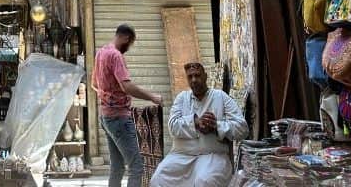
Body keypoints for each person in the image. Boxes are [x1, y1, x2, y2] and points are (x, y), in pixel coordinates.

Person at [152, 61, 248, 187]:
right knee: (158, 178)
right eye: (190, 77)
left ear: (205, 76)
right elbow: (172, 126)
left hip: (213, 156)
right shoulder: (182, 98)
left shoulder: (220, 97)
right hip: (182, 156)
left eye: (197, 75)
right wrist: (196, 122)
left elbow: (242, 128)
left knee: (205, 181)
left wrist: (216, 126)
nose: (194, 80)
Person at [92, 24, 163, 187]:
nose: (129, 48)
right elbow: (127, 87)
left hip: (106, 117)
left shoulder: (101, 53)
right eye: (130, 44)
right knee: (136, 166)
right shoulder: (115, 56)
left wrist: (106, 94)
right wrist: (153, 97)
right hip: (118, 118)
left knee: (117, 167)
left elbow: (94, 83)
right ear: (125, 38)